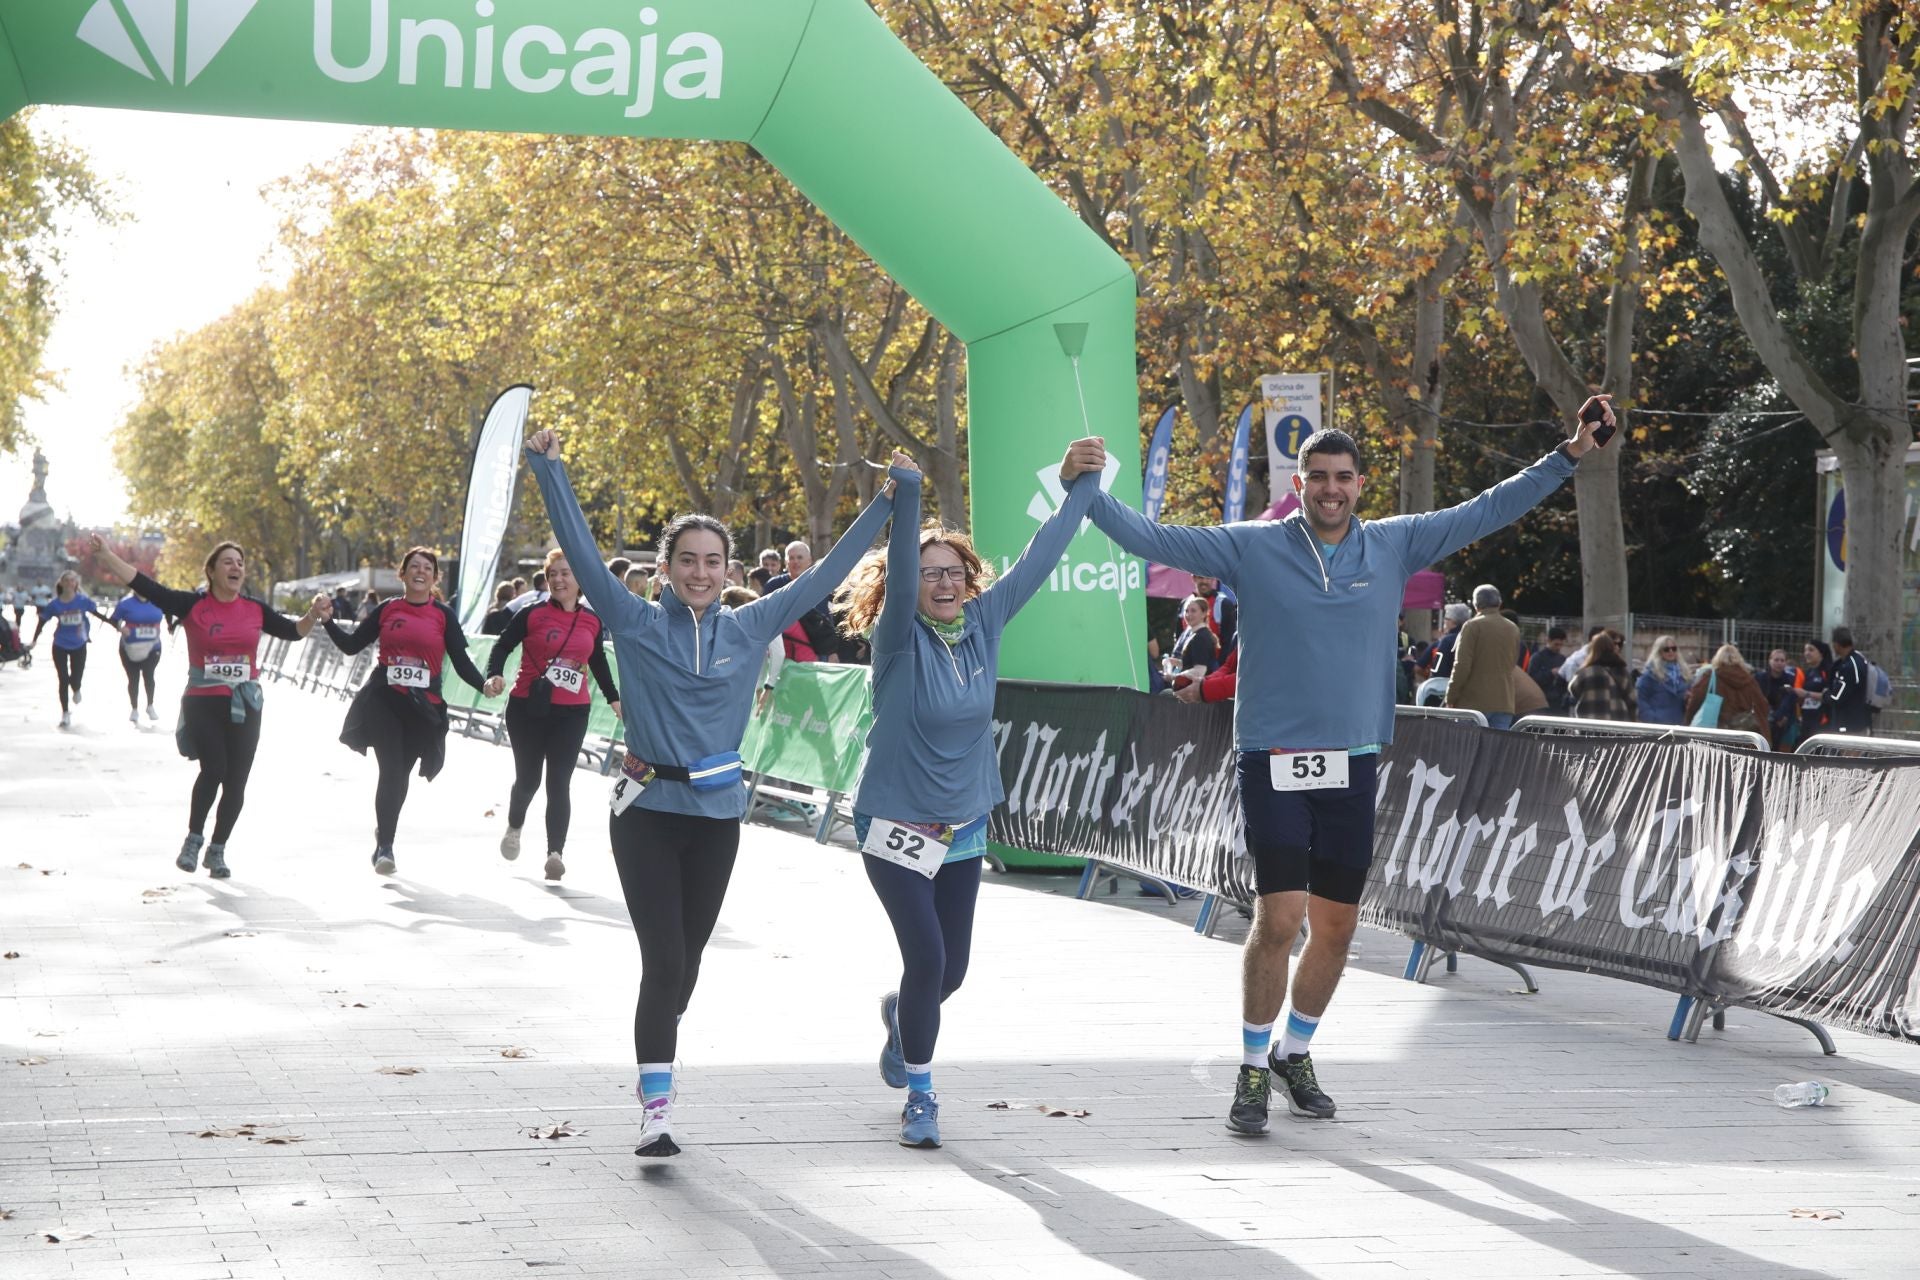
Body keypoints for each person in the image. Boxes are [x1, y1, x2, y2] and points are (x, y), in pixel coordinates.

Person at [1082, 398, 1615, 1136]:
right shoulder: (1251, 547)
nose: (1330, 488)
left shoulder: (1395, 544)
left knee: (1336, 929)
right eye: (1317, 477)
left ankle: (1294, 1055)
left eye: (1343, 477)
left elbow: (1492, 508)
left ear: (1361, 484)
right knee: (1281, 919)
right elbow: (1150, 535)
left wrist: (1570, 453)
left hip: (1353, 763)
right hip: (1270, 758)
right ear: (1298, 485)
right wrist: (1088, 491)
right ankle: (1249, 1069)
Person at [524, 425, 902, 1160]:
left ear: (727, 569)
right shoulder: (631, 618)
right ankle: (656, 1108)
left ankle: (658, 1043)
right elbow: (577, 542)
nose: (700, 572)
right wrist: (550, 468)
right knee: (662, 961)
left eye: (713, 561)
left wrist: (887, 504)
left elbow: (825, 577)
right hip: (646, 815)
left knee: (687, 965)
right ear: (663, 569)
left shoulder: (751, 621)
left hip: (717, 816)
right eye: (687, 561)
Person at [837, 439, 1107, 1150]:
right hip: (894, 819)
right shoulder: (898, 638)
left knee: (947, 971)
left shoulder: (985, 624)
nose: (943, 583)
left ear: (970, 579)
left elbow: (1044, 556)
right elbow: (899, 577)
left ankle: (902, 1019)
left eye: (953, 572)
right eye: (929, 574)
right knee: (927, 959)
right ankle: (921, 1096)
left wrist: (1082, 482)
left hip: (962, 824)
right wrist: (910, 496)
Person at [88, 534, 327, 878]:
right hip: (204, 700)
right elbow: (144, 584)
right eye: (228, 562)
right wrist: (107, 555)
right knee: (214, 768)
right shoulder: (191, 605)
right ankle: (193, 838)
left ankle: (218, 850)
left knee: (237, 781)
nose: (236, 567)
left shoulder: (254, 609)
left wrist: (313, 614)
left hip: (247, 702)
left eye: (240, 563)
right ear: (212, 571)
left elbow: (293, 632)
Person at [324, 548, 488, 876]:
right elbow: (352, 645)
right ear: (403, 573)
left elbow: (460, 661)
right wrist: (327, 620)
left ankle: (385, 832)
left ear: (435, 578)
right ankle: (386, 846)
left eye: (427, 568)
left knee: (401, 776)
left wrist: (485, 686)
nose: (420, 571)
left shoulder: (443, 616)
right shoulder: (387, 610)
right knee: (390, 769)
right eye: (414, 566)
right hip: (386, 699)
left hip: (423, 707)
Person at [486, 547, 622, 881]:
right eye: (553, 574)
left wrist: (615, 700)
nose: (559, 580)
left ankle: (555, 853)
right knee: (529, 779)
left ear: (579, 580)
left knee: (559, 781)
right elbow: (502, 645)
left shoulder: (592, 620)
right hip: (528, 707)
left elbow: (598, 663)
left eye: (566, 573)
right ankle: (515, 826)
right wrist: (495, 673)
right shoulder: (531, 614)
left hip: (572, 711)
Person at [30, 569, 110, 729]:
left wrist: (116, 625)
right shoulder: (55, 604)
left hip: (79, 644)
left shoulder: (82, 601)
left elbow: (98, 614)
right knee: (63, 679)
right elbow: (42, 622)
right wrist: (34, 640)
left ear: (76, 584)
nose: (69, 583)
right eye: (66, 581)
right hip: (60, 644)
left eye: (72, 580)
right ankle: (65, 713)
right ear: (61, 583)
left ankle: (77, 688)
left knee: (76, 677)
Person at [1443, 584, 1519, 728]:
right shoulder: (1512, 628)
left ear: (1475, 605)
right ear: (1499, 603)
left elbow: (1462, 665)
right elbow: (1512, 663)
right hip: (1504, 701)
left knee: (1467, 749)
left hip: (1473, 702)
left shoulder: (1472, 626)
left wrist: (1451, 696)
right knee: (1496, 749)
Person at [764, 540, 842, 663]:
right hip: (786, 652)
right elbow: (765, 618)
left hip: (821, 651)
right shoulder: (774, 585)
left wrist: (833, 651)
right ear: (785, 562)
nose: (796, 561)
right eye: (791, 558)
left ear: (809, 560)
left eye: (800, 557)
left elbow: (838, 616)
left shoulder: (824, 584)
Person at [1683, 644, 1773, 741]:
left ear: (1717, 658)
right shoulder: (1749, 680)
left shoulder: (1711, 677)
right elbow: (1763, 706)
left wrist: (1688, 721)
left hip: (1717, 733)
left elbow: (1695, 701)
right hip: (1743, 735)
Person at [110, 587, 168, 724]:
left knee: (149, 675)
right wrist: (120, 628)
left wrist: (170, 625)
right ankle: (134, 708)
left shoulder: (158, 601)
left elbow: (169, 613)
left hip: (153, 646)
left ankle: (150, 705)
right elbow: (114, 619)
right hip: (129, 647)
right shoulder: (125, 604)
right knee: (133, 678)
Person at [1567, 631, 1636, 721]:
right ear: (1612, 648)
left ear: (1593, 649)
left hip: (1590, 726)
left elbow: (1573, 689)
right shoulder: (1622, 672)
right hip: (1619, 727)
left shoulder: (1586, 673)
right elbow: (1632, 700)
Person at [1824, 626, 1875, 734]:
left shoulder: (1849, 666)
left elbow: (1837, 697)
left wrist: (1826, 694)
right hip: (1859, 720)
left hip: (1851, 724)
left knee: (1849, 750)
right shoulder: (1859, 659)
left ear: (1836, 644)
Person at [1635, 635, 1691, 725]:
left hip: (1680, 725)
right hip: (1658, 726)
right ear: (1659, 651)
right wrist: (1652, 719)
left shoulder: (1684, 673)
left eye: (1673, 648)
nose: (1671, 651)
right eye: (1666, 649)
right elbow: (1641, 700)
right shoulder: (1650, 674)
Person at [1165, 594, 1219, 683]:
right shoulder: (1196, 634)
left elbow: (1200, 671)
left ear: (1204, 613)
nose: (1188, 614)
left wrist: (1174, 677)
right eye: (1186, 611)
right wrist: (1177, 662)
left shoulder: (1201, 637)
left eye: (1193, 611)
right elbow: (1193, 664)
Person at [1755, 649, 1798, 749]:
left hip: (1782, 720)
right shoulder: (1760, 678)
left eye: (1782, 660)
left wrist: (1783, 716)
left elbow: (1791, 701)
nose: (1779, 663)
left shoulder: (1790, 679)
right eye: (1776, 660)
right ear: (1770, 661)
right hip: (1763, 717)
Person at [1526, 626, 1570, 712]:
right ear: (1548, 641)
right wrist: (1550, 673)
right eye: (1556, 644)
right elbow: (1531, 680)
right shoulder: (1537, 658)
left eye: (1561, 645)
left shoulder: (1562, 659)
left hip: (1558, 703)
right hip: (1541, 703)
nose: (1558, 648)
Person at [1796, 640, 1833, 741]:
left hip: (1822, 719)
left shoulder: (1828, 671)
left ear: (1821, 653)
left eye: (1811, 650)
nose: (1807, 653)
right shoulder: (1808, 672)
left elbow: (1830, 695)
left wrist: (1807, 694)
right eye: (1805, 650)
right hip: (1807, 719)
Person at [1191, 573, 1237, 653]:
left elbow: (1230, 640)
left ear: (1213, 579)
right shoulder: (1185, 604)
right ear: (1194, 578)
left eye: (1208, 578)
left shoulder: (1223, 603)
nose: (1204, 581)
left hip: (1215, 663)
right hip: (1187, 662)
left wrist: (1221, 664)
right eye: (1201, 577)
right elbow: (1180, 636)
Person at [1428, 602, 1470, 678]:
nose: (1444, 620)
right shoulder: (1473, 638)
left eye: (1446, 618)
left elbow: (1438, 670)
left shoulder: (1447, 640)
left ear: (1454, 621)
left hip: (1447, 684)